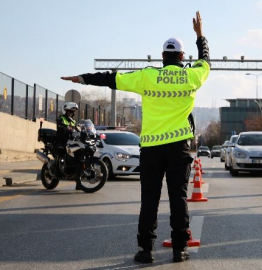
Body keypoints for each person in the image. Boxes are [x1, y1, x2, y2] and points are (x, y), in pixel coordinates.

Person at [61, 11, 210, 263]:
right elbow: (206, 60)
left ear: (163, 56)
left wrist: (82, 78)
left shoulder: (147, 75)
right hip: (179, 149)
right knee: (179, 198)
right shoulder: (192, 75)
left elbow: (112, 78)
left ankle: (145, 251)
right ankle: (179, 249)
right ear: (182, 57)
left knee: (149, 200)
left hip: (152, 149)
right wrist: (200, 35)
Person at [56, 102, 81, 190]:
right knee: (62, 154)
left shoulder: (73, 121)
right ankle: (58, 169)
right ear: (65, 111)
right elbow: (61, 124)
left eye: (72, 112)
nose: (70, 113)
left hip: (71, 142)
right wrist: (66, 127)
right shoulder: (61, 118)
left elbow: (77, 129)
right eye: (69, 111)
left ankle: (79, 183)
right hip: (62, 141)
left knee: (78, 160)